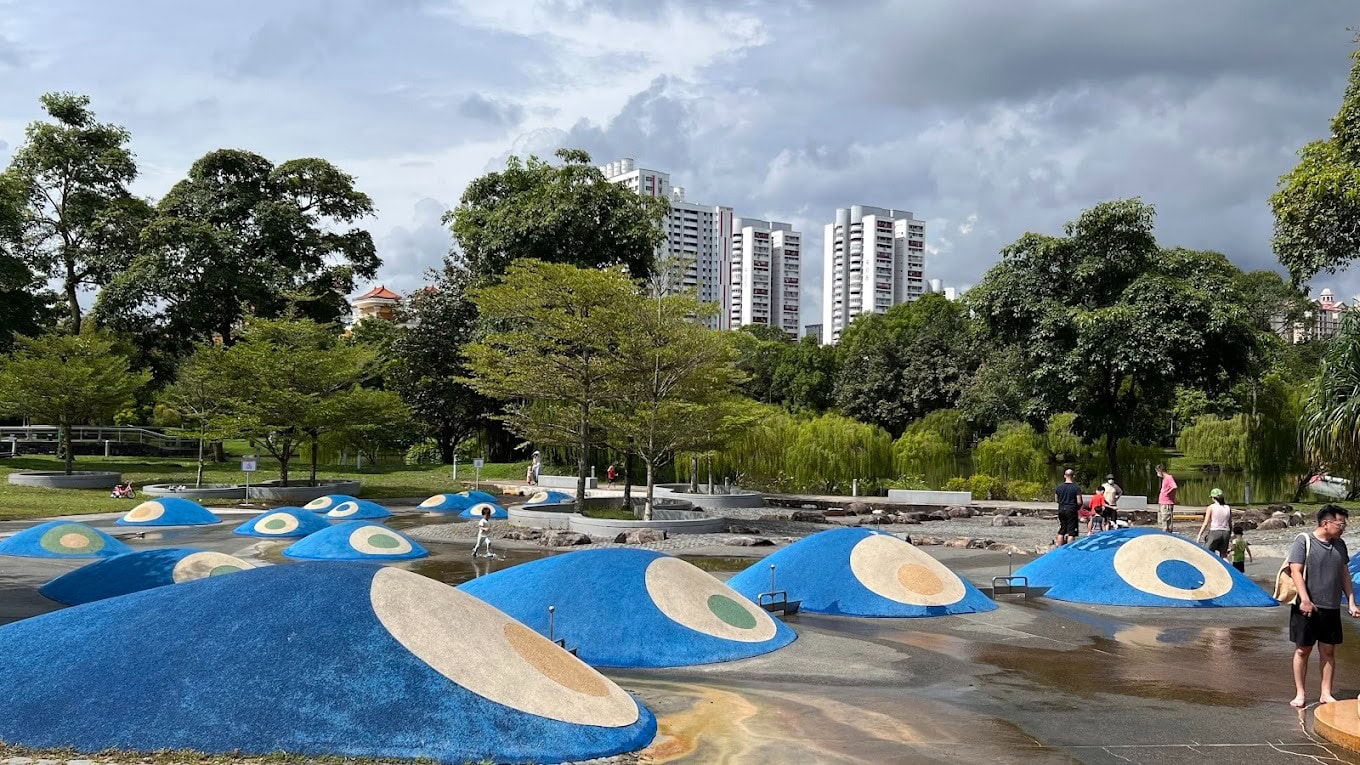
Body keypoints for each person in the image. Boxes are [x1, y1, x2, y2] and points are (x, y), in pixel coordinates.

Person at [1287, 504, 1359, 708]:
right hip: (1306, 607)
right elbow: (1295, 572)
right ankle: (1300, 693)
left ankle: (1326, 693)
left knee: (1328, 651)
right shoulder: (1304, 541)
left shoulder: (1340, 545)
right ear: (1326, 523)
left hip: (1332, 607)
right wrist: (1305, 599)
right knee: (1303, 650)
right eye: (1340, 524)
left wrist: (1351, 601)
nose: (1343, 527)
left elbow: (1344, 574)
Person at [1196, 488, 1233, 559]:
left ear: (1213, 498)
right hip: (1226, 532)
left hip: (1215, 531)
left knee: (1209, 553)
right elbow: (1230, 523)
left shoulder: (1211, 507)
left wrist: (1199, 535)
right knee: (1223, 555)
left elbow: (1205, 523)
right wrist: (1230, 534)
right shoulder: (1228, 507)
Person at [1054, 469, 1082, 546]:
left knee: (1062, 530)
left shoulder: (1059, 487)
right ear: (1073, 476)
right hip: (1071, 510)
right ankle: (1069, 548)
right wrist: (1078, 507)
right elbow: (1079, 501)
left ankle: (1059, 548)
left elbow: (1056, 499)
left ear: (1064, 476)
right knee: (1071, 532)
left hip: (1062, 509)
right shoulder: (1076, 488)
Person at [1155, 464, 1177, 533]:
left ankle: (1166, 534)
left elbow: (1174, 486)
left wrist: (1167, 493)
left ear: (1160, 471)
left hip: (1166, 503)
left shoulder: (1168, 477)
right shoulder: (1164, 479)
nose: (1157, 474)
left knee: (1165, 521)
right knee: (1161, 521)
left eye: (1157, 472)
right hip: (1162, 503)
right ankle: (1163, 533)